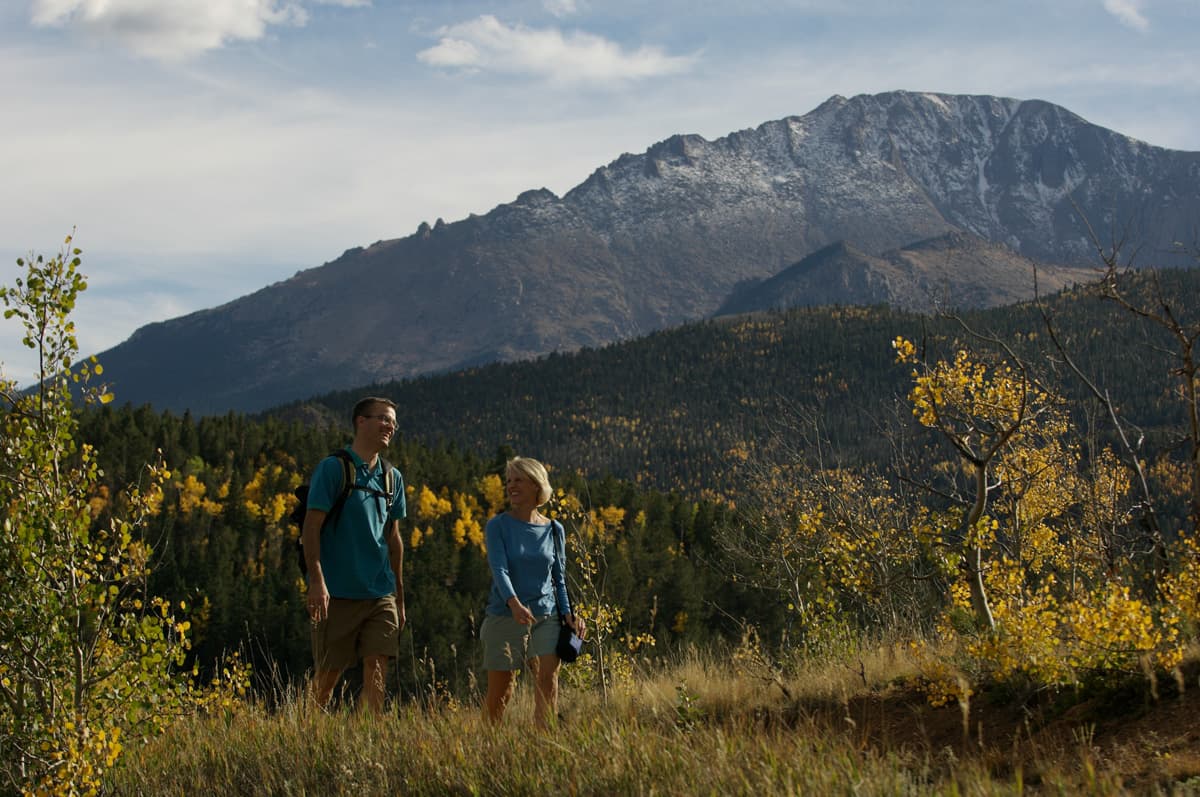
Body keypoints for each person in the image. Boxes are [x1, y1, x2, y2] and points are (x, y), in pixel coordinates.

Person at [302, 396, 407, 713]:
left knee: (377, 666)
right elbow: (311, 528)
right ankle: (307, 734)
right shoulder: (334, 469)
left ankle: (371, 736)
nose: (390, 426)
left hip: (380, 592)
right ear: (361, 422)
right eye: (383, 419)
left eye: (392, 422)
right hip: (338, 593)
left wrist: (399, 597)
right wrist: (317, 581)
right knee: (329, 673)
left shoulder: (393, 478)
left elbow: (394, 539)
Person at [481, 456, 585, 727]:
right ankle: (488, 747)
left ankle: (544, 745)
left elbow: (559, 579)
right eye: (509, 481)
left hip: (546, 616)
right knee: (501, 692)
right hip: (504, 615)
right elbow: (499, 569)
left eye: (518, 480)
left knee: (547, 681)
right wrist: (514, 603)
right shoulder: (498, 526)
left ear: (536, 484)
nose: (511, 486)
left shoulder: (554, 529)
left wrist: (568, 615)